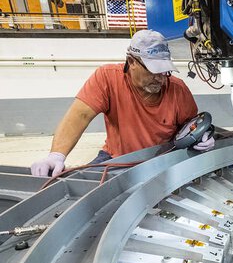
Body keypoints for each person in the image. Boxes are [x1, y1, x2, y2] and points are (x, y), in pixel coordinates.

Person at [31, 30, 214, 177]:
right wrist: (56, 155)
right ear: (131, 62)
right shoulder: (107, 78)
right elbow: (80, 116)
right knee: (83, 191)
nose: (160, 78)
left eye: (164, 71)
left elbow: (191, 126)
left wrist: (202, 137)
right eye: (153, 71)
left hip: (161, 159)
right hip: (116, 158)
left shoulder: (177, 89)